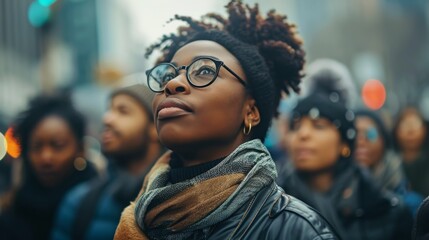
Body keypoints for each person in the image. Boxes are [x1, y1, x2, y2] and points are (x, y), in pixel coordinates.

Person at [114, 1, 339, 239]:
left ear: (251, 111)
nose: (172, 84)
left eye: (204, 71)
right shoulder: (140, 218)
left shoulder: (299, 231)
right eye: (168, 75)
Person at [280, 79, 413, 239]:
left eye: (319, 125)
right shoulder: (269, 208)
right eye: (295, 127)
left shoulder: (387, 211)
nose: (303, 134)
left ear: (345, 144)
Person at [51, 83, 163, 240]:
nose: (107, 119)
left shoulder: (181, 200)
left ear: (155, 127)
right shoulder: (79, 202)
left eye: (123, 111)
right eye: (109, 110)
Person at [0, 94, 97, 240]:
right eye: (36, 147)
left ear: (81, 149)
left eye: (58, 146)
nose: (46, 157)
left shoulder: (100, 202)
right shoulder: (11, 209)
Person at [393, 107, 429, 197]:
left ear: (424, 130)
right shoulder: (390, 164)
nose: (410, 131)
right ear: (397, 131)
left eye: (415, 125)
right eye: (405, 125)